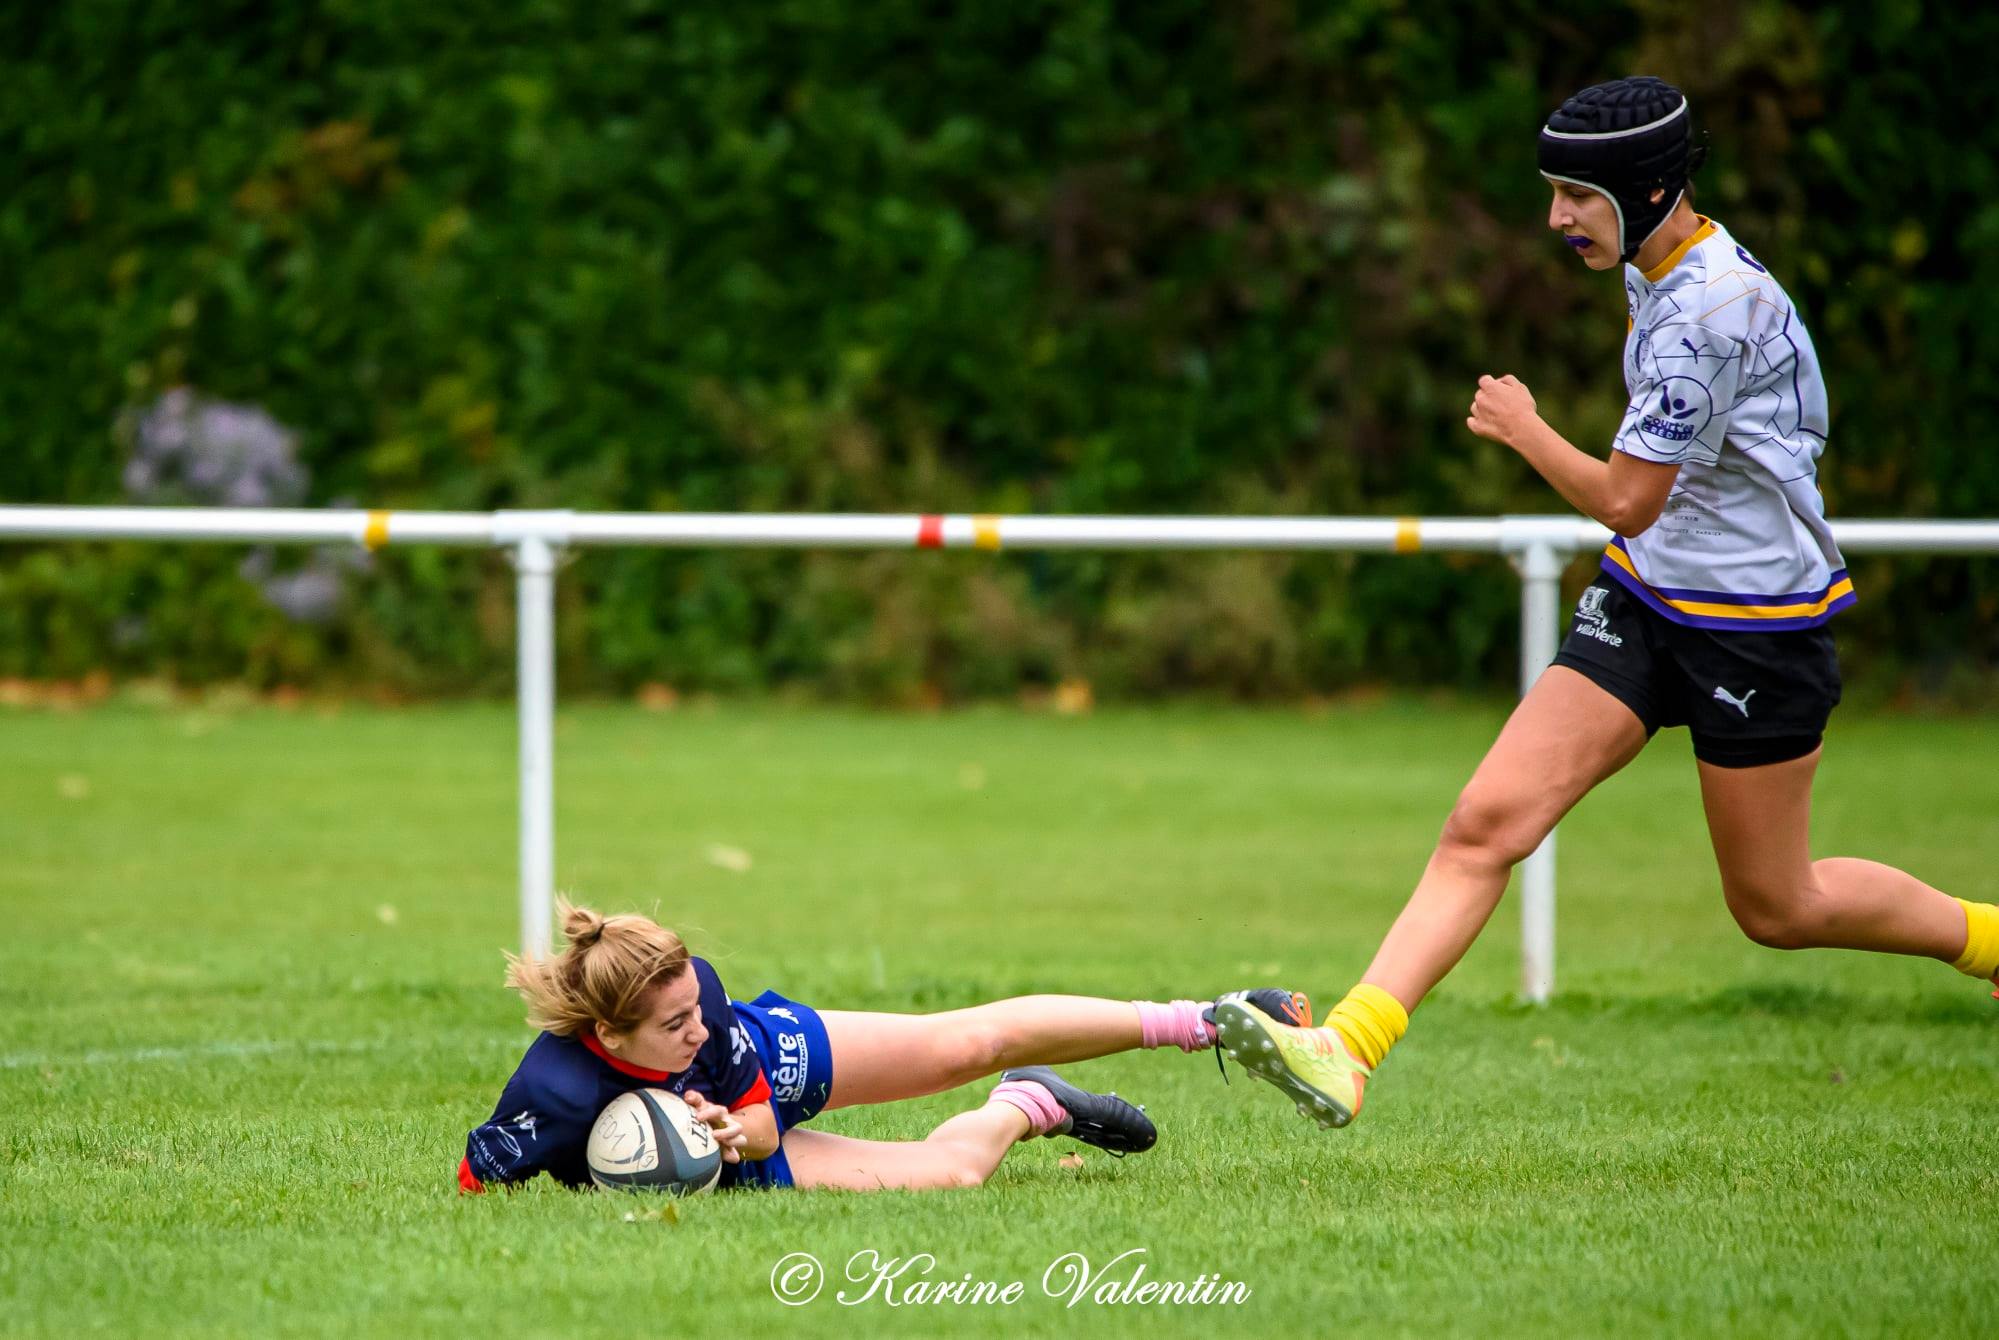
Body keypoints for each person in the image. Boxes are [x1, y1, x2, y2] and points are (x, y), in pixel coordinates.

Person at [1213, 75, 1999, 1129]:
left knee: (1779, 905)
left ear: (1651, 191)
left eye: (1577, 195)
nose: (1556, 218)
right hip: (1645, 595)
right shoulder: (1650, 262)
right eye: (1553, 191)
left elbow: (1628, 498)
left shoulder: (1707, 312)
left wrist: (1524, 427)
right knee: (1484, 822)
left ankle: (1991, 939)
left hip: (1754, 628)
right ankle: (1347, 1049)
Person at [460, 900, 1310, 1192]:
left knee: (966, 1041)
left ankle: (1206, 1019)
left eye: (694, 1006)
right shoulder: (555, 1095)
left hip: (773, 1067)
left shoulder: (710, 1007)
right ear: (611, 1034)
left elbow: (760, 1123)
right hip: (735, 1165)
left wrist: (728, 1126)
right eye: (673, 1025)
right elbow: (474, 1180)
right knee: (953, 1174)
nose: (699, 1029)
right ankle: (1030, 1102)